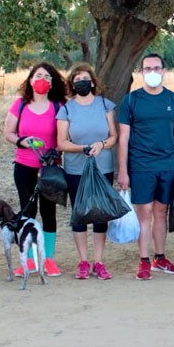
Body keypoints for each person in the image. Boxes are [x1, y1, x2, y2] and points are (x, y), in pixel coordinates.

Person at [117, 53, 174, 280]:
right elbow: (123, 138)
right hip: (140, 166)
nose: (153, 73)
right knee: (144, 213)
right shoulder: (131, 100)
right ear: (141, 72)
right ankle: (144, 260)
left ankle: (160, 257)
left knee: (161, 212)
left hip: (167, 166)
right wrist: (123, 170)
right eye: (148, 68)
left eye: (157, 68)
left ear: (164, 71)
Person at [2, 62, 66, 277]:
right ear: (30, 80)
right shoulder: (19, 105)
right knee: (28, 213)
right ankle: (28, 259)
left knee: (49, 213)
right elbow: (8, 132)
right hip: (24, 167)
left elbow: (65, 137)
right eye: (38, 75)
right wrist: (22, 141)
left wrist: (55, 151)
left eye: (47, 77)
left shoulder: (59, 106)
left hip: (49, 170)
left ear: (52, 82)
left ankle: (48, 259)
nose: (42, 80)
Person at [56, 62, 117, 280]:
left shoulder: (105, 105)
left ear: (93, 82)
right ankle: (83, 261)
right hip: (75, 168)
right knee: (80, 214)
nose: (82, 83)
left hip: (103, 167)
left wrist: (101, 144)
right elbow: (61, 142)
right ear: (72, 84)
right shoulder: (66, 109)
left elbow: (113, 136)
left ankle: (99, 261)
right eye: (77, 80)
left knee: (101, 214)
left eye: (85, 79)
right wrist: (81, 149)